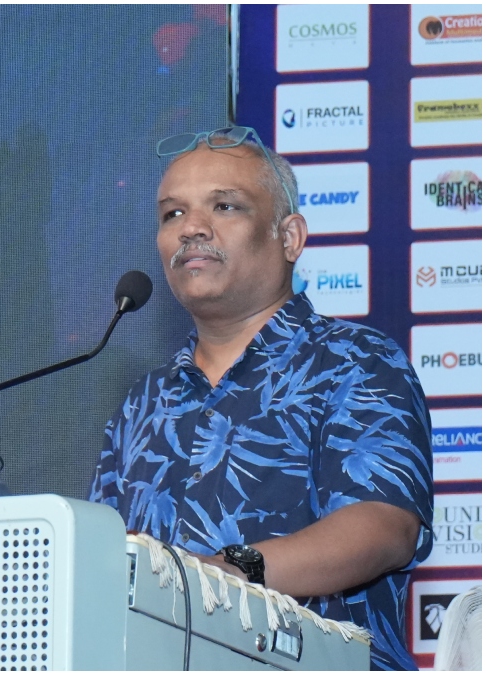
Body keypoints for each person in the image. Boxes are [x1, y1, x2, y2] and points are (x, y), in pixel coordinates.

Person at [88, 127, 433, 671]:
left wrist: (230, 571)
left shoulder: (357, 361)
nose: (191, 228)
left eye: (224, 206)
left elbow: (384, 527)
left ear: (290, 238)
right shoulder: (142, 403)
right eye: (172, 214)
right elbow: (102, 562)